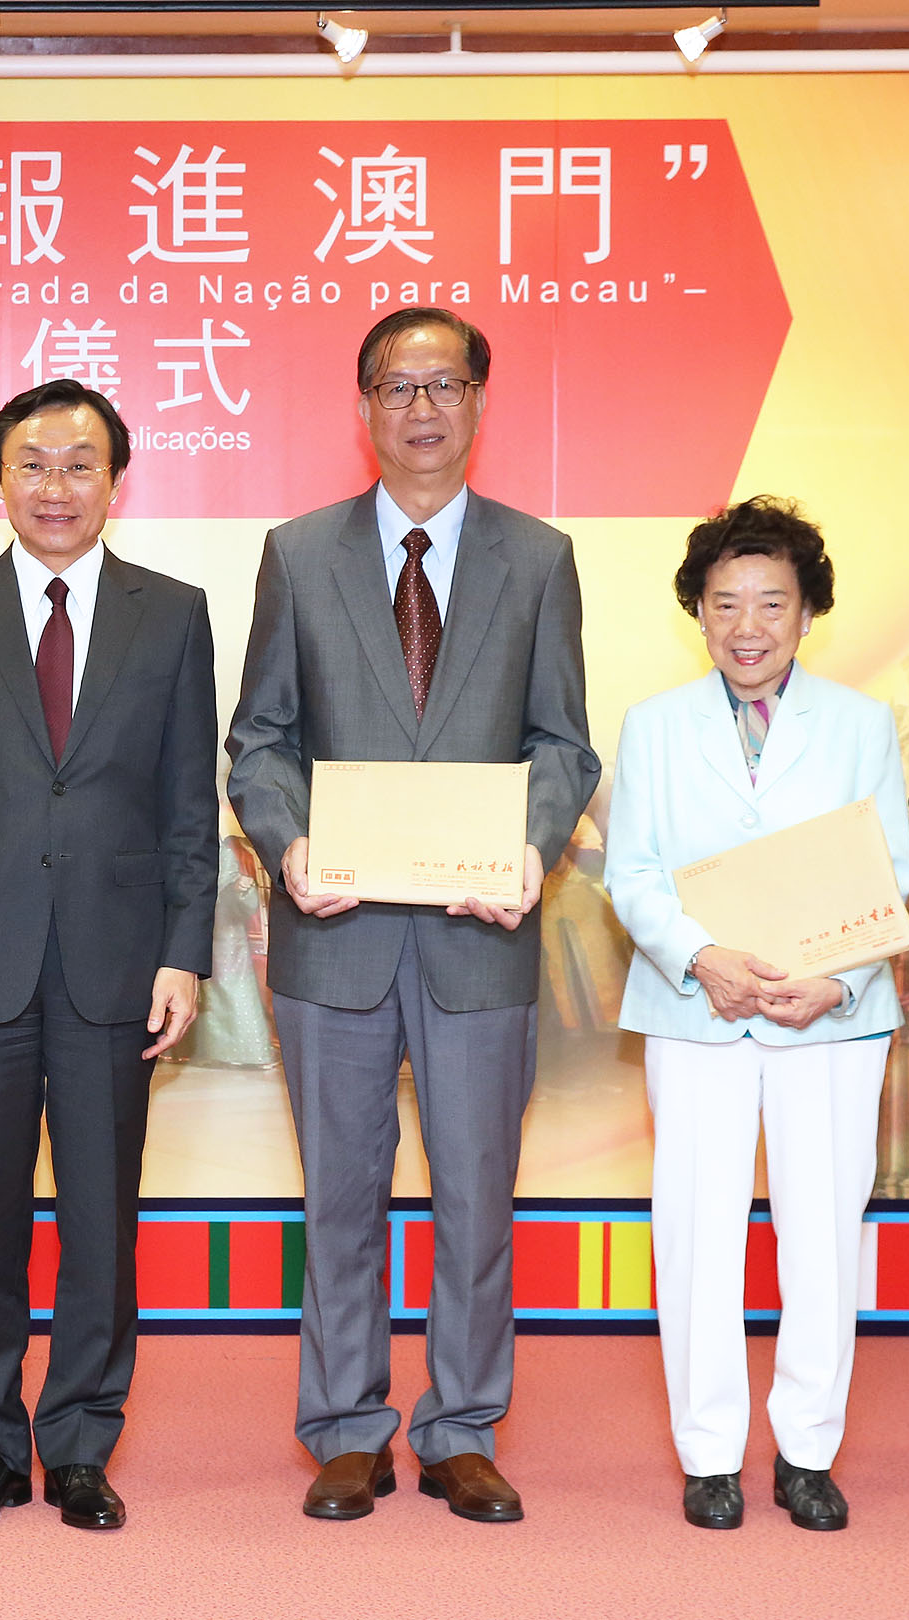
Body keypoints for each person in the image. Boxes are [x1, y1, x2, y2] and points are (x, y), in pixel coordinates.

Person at [226, 307, 598, 1524]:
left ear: (479, 401)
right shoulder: (300, 553)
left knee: (476, 1198)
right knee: (338, 1196)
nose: (421, 408)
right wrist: (288, 846)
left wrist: (529, 850)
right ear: (364, 407)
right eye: (397, 386)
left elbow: (561, 743)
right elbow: (260, 739)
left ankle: (459, 1429)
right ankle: (345, 1428)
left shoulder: (538, 559)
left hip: (477, 936)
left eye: (444, 385)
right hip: (333, 932)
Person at [0, 381, 221, 1532]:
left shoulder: (171, 614)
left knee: (99, 1221)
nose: (56, 486)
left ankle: (79, 1443)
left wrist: (183, 953)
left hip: (115, 963)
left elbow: (188, 804)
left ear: (115, 479)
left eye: (80, 464)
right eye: (33, 464)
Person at [604, 498, 909, 1533]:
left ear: (806, 611)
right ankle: (708, 1455)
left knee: (822, 1231)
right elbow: (632, 871)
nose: (747, 626)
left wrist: (836, 977)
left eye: (771, 603)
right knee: (695, 1231)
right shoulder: (653, 725)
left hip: (829, 1014)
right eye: (725, 602)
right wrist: (702, 957)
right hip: (696, 1007)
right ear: (696, 610)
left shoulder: (860, 724)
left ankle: (806, 1452)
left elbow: (890, 869)